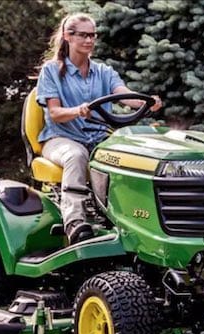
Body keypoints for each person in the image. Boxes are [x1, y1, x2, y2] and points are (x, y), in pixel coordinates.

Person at [36, 13, 162, 244]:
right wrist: (77, 110)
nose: (89, 40)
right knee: (77, 155)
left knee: (130, 155)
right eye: (83, 35)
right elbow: (54, 113)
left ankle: (132, 221)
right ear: (68, 36)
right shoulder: (51, 71)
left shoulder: (103, 72)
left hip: (97, 138)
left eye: (92, 35)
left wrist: (146, 102)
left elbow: (124, 95)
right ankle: (74, 221)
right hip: (60, 138)